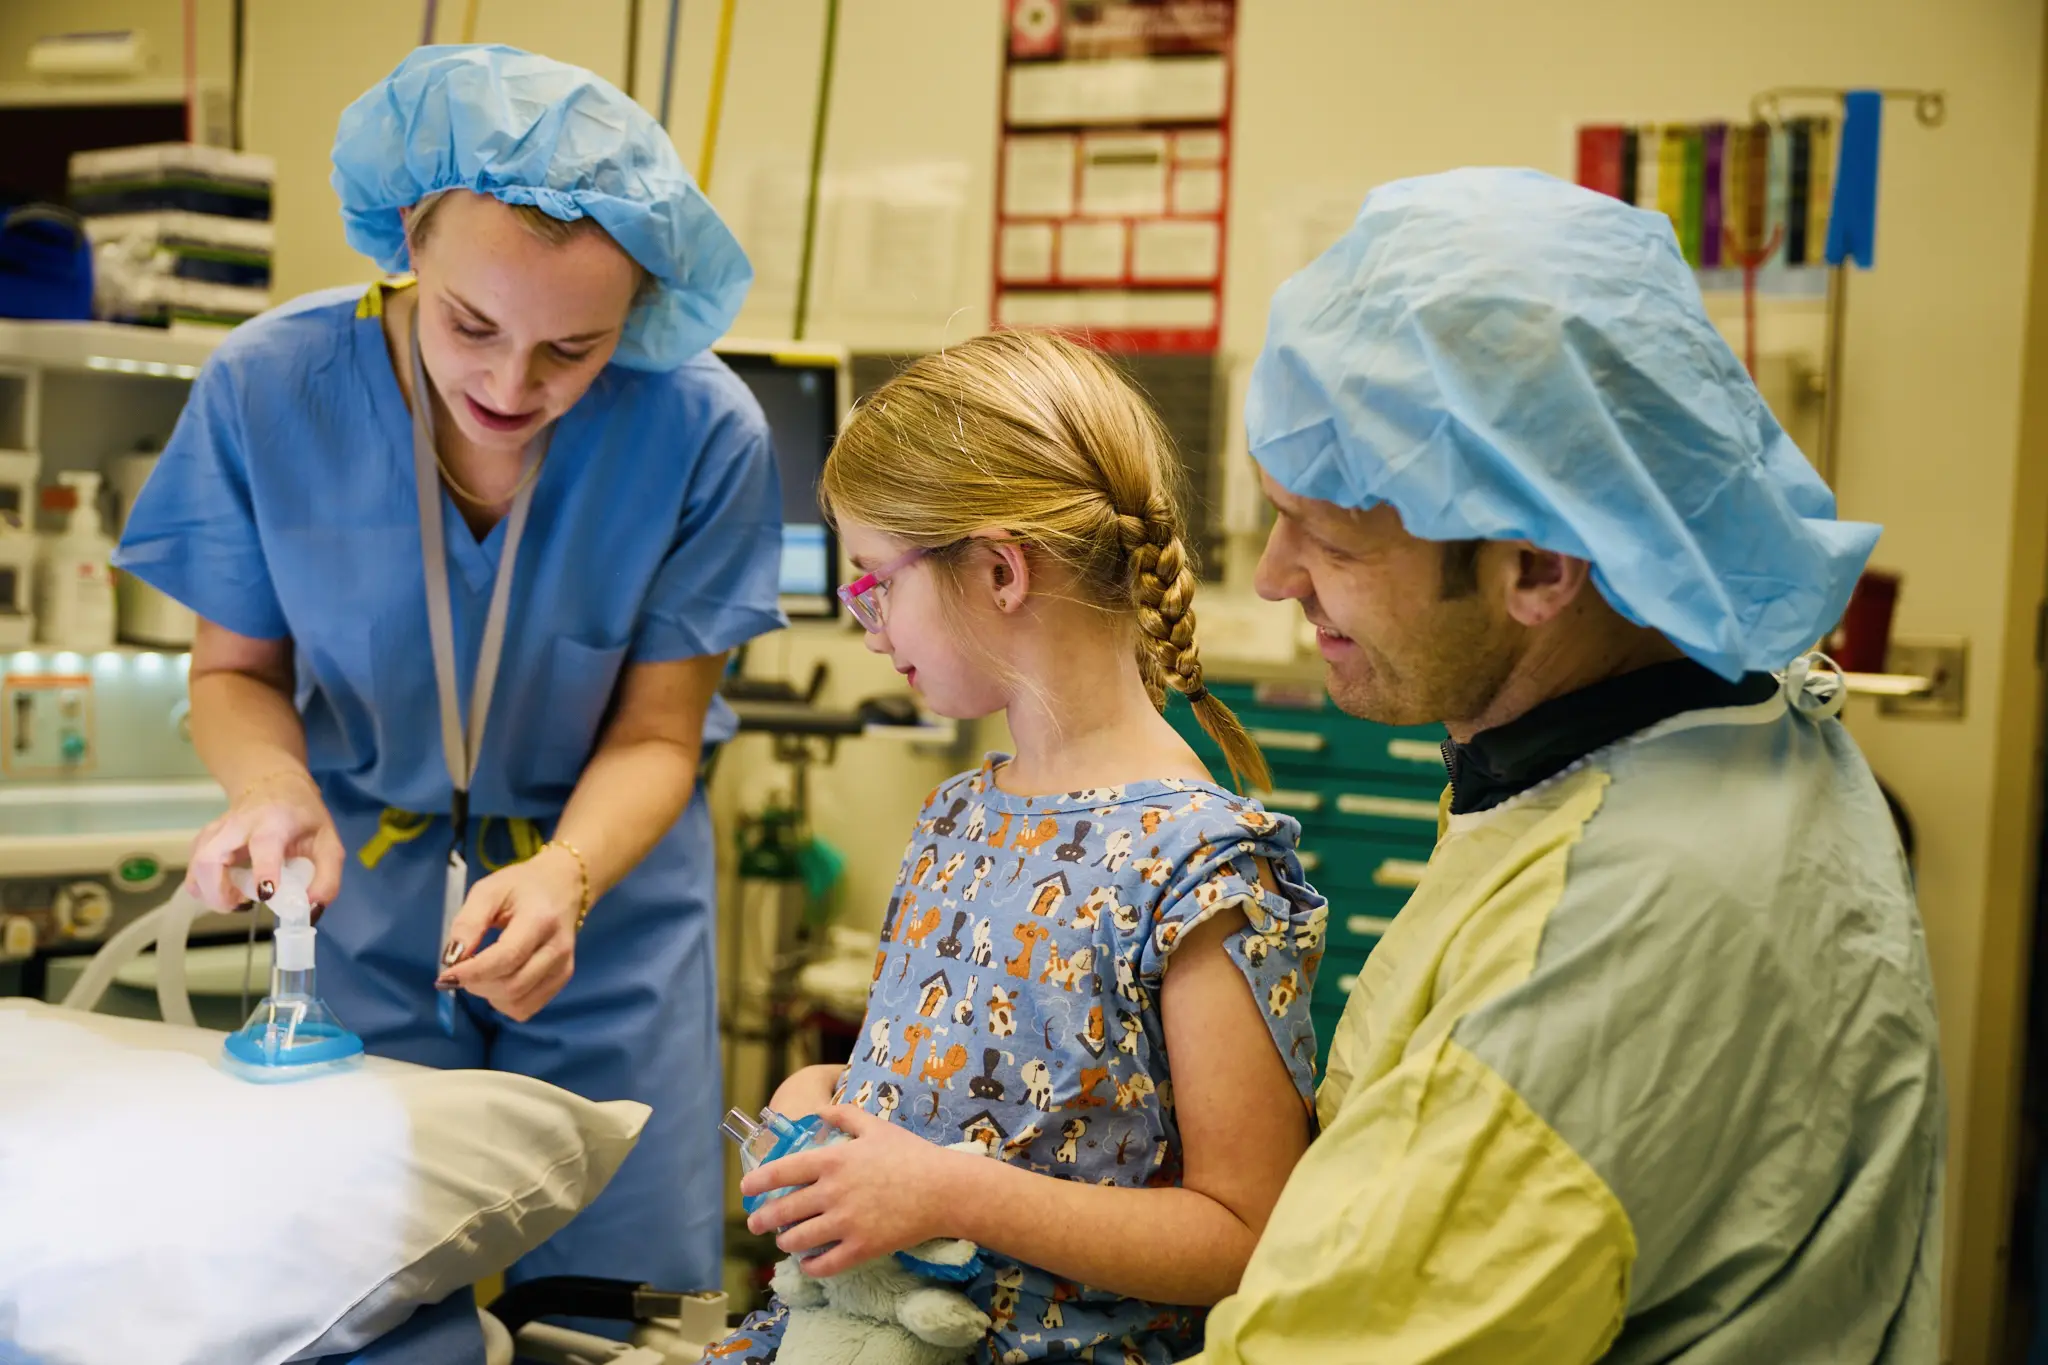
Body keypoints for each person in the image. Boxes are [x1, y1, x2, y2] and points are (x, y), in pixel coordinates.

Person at [1189, 168, 1944, 1362]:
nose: (1275, 577)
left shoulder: (1614, 930)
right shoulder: (1694, 714)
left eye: (1328, 538)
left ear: (1539, 571)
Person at [114, 43, 782, 1332]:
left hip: (607, 925)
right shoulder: (273, 387)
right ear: (410, 240)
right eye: (470, 325)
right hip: (356, 910)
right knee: (359, 1296)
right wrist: (272, 787)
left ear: (637, 316)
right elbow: (235, 670)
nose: (509, 387)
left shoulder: (699, 432)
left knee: (595, 1319)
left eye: (572, 352)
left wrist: (571, 877)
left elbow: (658, 732)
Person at [714, 331, 1327, 1363]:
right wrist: (824, 1102)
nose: (865, 625)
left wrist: (948, 1195)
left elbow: (1242, 1233)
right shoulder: (958, 815)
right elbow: (951, 1096)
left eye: (875, 583)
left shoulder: (1199, 870)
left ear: (999, 569)